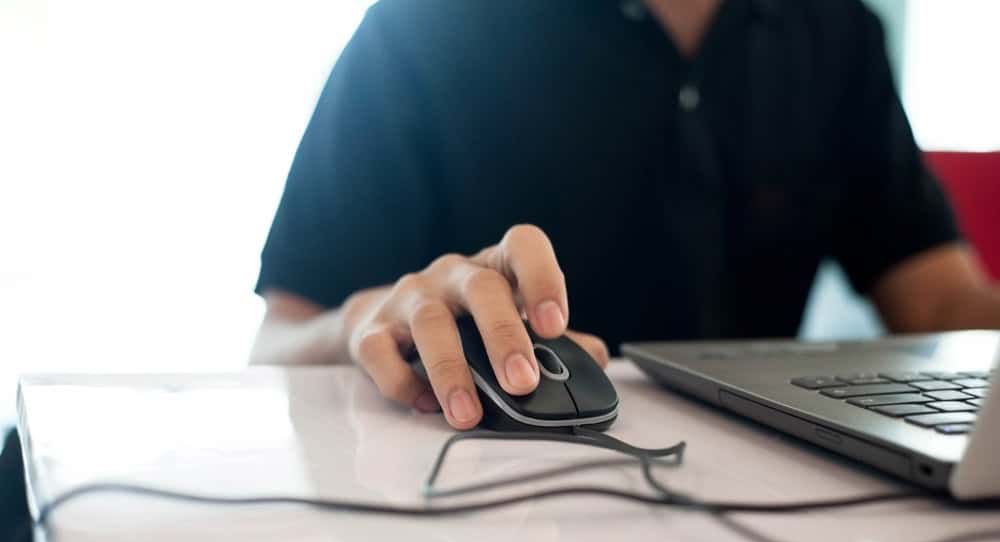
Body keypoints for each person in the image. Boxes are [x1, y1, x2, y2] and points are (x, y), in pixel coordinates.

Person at [251, 0, 1000, 431]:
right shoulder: (423, 27)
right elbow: (279, 337)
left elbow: (938, 298)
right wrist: (362, 320)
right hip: (496, 509)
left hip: (764, 507)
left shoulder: (837, 33)